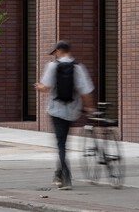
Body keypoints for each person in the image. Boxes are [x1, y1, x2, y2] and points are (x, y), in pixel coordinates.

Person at [35, 40, 94, 190]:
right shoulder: (79, 68)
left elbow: (46, 87)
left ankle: (66, 178)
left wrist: (39, 87)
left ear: (59, 51)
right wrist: (89, 108)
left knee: (61, 144)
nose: (54, 55)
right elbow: (85, 91)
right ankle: (59, 173)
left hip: (56, 110)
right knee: (64, 142)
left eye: (55, 52)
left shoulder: (52, 66)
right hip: (72, 111)